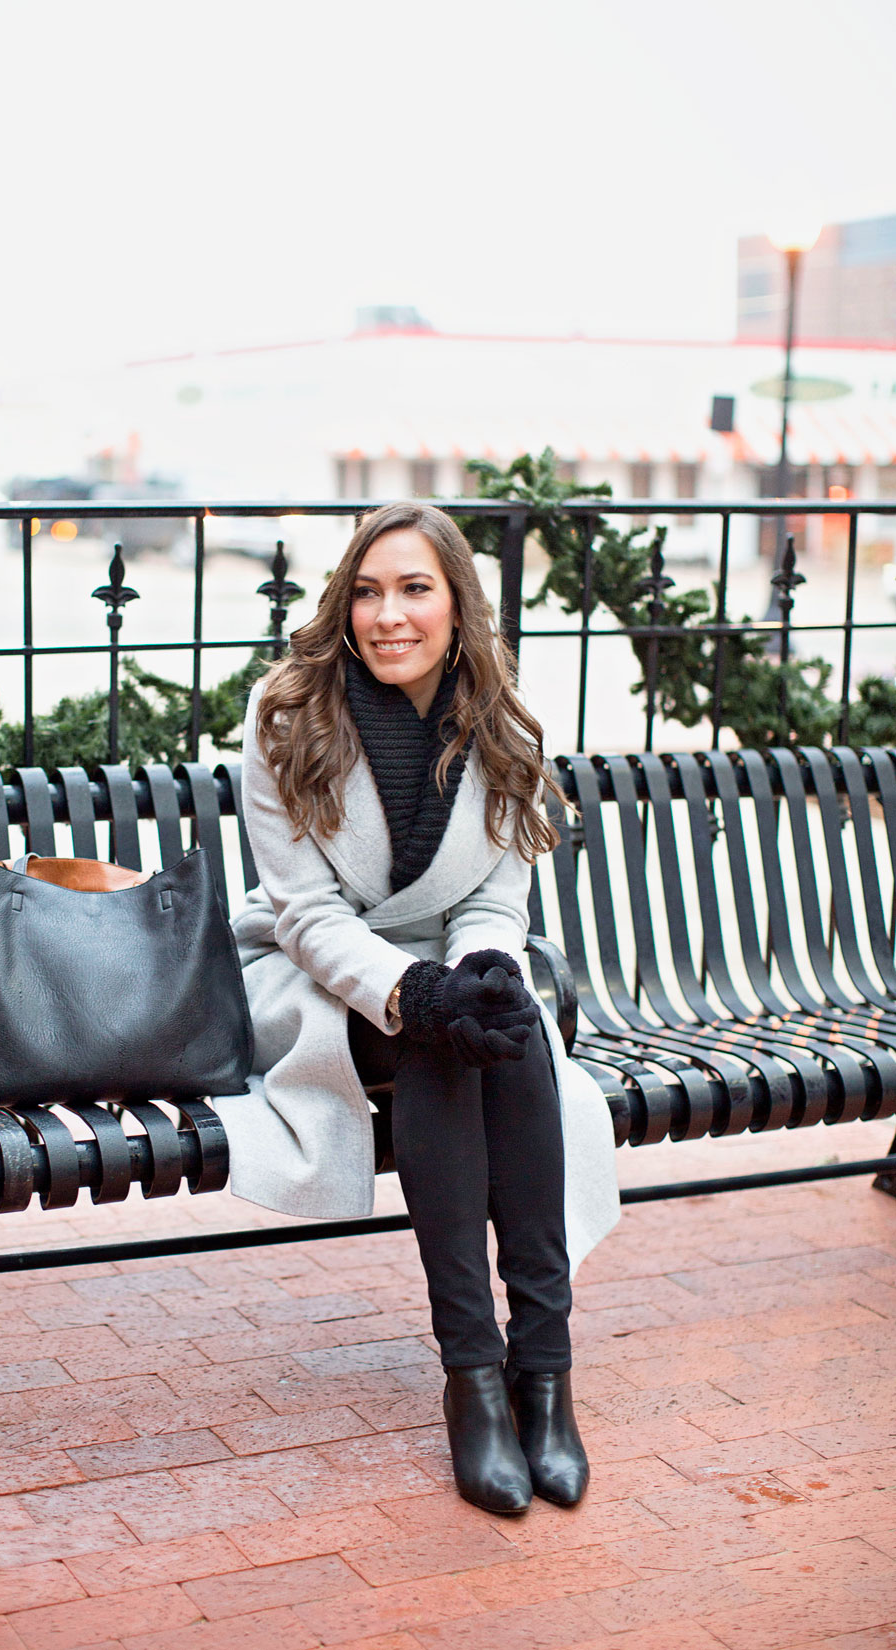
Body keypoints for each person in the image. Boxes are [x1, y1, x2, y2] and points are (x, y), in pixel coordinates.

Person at [211, 502, 620, 1515]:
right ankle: (473, 1380)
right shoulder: (286, 713)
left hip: (442, 957)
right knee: (439, 1036)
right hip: (310, 980)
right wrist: (417, 993)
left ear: (455, 605)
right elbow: (303, 915)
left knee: (502, 1027)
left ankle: (543, 1371)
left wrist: (478, 971)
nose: (385, 615)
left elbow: (493, 896)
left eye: (412, 589)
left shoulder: (502, 717)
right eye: (365, 590)